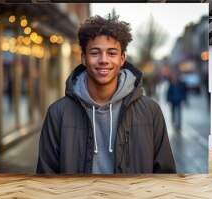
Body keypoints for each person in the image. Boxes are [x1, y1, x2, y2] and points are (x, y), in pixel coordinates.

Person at [37, 15, 176, 174]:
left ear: (122, 59)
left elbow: (165, 177)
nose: (103, 60)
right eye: (95, 52)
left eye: (111, 53)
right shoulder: (57, 113)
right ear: (83, 58)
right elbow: (45, 178)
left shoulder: (151, 112)